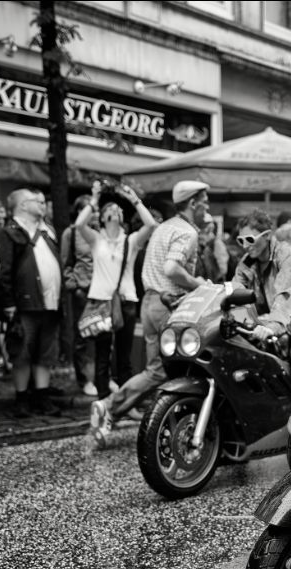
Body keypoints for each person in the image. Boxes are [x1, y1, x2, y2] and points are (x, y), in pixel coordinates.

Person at [89, 181, 211, 446]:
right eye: (205, 201)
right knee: (164, 370)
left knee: (159, 370)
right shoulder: (187, 233)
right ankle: (112, 407)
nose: (207, 207)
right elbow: (172, 268)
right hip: (169, 306)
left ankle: (151, 417)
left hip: (149, 303)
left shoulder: (165, 227)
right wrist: (199, 284)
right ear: (192, 204)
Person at [74, 182, 157, 399]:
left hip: (126, 301)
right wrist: (94, 199)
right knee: (102, 356)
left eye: (117, 209)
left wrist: (133, 199)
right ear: (101, 218)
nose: (113, 211)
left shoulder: (130, 241)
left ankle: (125, 403)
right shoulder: (96, 239)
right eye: (108, 210)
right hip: (101, 303)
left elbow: (151, 225)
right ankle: (103, 404)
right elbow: (79, 224)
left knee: (123, 357)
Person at [0, 188, 64, 418]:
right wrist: (8, 303)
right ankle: (22, 399)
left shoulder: (48, 230)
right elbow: (2, 271)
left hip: (50, 304)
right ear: (23, 205)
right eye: (37, 201)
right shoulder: (9, 233)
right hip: (23, 306)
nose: (42, 204)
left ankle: (42, 396)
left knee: (46, 353)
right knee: (22, 353)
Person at [229, 209, 291, 378]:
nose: (245, 246)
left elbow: (284, 297)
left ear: (267, 235)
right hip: (276, 321)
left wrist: (271, 327)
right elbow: (235, 294)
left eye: (250, 239)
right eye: (241, 240)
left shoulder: (286, 255)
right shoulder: (246, 264)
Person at [62, 195, 97, 395]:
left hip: (102, 292)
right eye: (91, 209)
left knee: (101, 335)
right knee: (82, 337)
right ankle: (84, 379)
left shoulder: (102, 232)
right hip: (82, 292)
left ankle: (102, 377)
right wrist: (73, 287)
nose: (96, 213)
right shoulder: (72, 233)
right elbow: (66, 262)